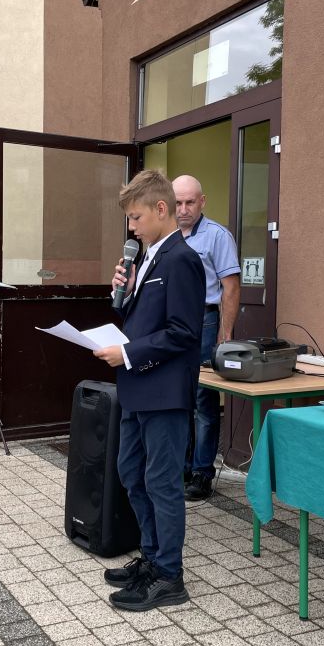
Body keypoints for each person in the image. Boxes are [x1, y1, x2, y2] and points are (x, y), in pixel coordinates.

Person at [93, 170, 205, 612]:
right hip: (138, 388)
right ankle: (153, 557)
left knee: (161, 482)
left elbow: (183, 332)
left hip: (164, 392)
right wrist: (121, 294)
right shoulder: (148, 258)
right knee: (131, 473)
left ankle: (169, 576)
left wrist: (128, 352)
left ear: (161, 209)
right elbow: (141, 321)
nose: (131, 227)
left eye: (136, 217)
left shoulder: (181, 259)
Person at [172, 175, 241, 501]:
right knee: (178, 398)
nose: (183, 209)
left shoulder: (217, 236)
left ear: (202, 202)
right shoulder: (167, 235)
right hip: (172, 323)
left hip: (204, 321)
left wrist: (225, 335)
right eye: (178, 203)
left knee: (203, 400)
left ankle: (202, 472)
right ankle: (182, 467)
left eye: (190, 202)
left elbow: (231, 287)